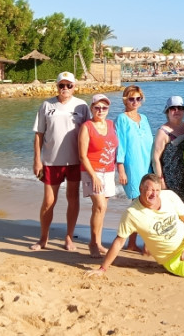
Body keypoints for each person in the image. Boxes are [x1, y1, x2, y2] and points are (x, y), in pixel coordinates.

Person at [30, 71, 91, 251]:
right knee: (49, 201)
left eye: (69, 85)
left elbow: (90, 133)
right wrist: (37, 160)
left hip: (75, 161)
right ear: (57, 86)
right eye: (61, 85)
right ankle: (43, 238)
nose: (65, 88)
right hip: (51, 161)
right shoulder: (46, 105)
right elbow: (39, 135)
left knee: (73, 198)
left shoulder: (82, 106)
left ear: (74, 87)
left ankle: (69, 238)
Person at [78, 94, 119, 258]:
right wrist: (94, 176)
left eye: (104, 107)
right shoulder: (86, 127)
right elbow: (82, 156)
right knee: (100, 206)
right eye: (97, 107)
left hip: (109, 171)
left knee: (101, 209)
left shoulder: (110, 124)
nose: (101, 110)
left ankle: (98, 242)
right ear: (91, 108)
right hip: (92, 171)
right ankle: (93, 244)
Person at [115, 85, 154, 252]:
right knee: (138, 203)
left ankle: (144, 243)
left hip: (147, 164)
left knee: (147, 202)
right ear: (125, 100)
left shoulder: (143, 118)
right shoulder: (122, 119)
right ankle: (131, 242)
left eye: (138, 98)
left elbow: (151, 142)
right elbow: (120, 145)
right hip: (132, 165)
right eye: (131, 99)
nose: (135, 102)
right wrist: (121, 169)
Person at [151, 95, 184, 207]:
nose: (176, 111)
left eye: (180, 108)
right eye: (173, 108)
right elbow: (155, 158)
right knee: (171, 209)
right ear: (167, 111)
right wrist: (161, 181)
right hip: (170, 179)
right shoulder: (163, 131)